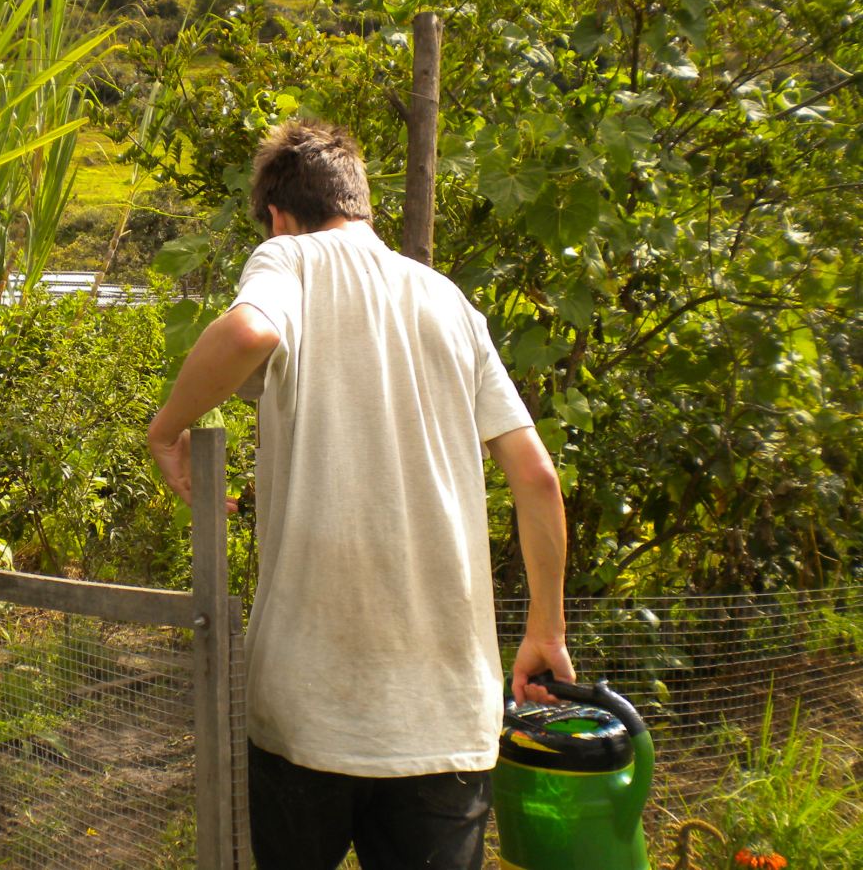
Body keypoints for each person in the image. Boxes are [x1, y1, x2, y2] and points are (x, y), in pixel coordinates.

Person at [147, 120, 575, 870]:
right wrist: (546, 629)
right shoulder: (449, 301)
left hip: (308, 707)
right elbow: (537, 476)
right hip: (445, 716)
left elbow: (249, 334)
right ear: (360, 204)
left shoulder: (288, 258)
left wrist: (167, 429)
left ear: (280, 214)